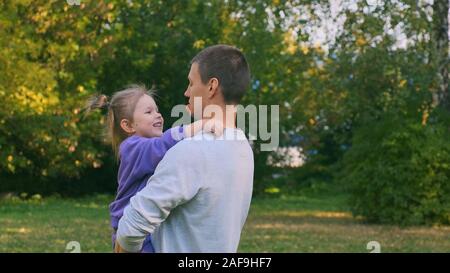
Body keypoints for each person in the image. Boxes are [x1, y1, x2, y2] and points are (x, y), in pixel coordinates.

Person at [115, 44, 254, 253]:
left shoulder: (192, 151)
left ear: (211, 86)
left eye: (191, 83)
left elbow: (131, 226)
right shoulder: (243, 148)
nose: (186, 92)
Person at [85, 84, 222, 253]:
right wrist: (199, 126)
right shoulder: (131, 147)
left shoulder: (145, 147)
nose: (158, 115)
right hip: (133, 232)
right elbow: (162, 144)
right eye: (149, 112)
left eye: (157, 110)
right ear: (128, 126)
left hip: (145, 228)